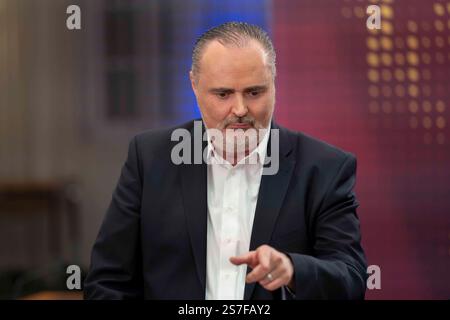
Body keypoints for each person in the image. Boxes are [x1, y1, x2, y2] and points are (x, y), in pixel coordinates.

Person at [84, 22, 367, 300]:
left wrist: (293, 270)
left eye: (254, 92)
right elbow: (109, 281)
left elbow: (351, 279)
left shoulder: (325, 168)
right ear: (194, 85)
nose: (240, 109)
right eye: (223, 94)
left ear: (274, 83)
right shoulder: (149, 158)